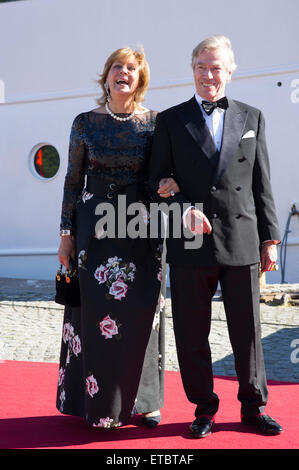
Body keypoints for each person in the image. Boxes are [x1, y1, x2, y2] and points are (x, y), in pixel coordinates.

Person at [148, 35, 283, 438]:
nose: (209, 75)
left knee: (248, 332)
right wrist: (182, 206)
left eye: (217, 67)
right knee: (192, 332)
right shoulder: (169, 121)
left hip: (241, 237)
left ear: (230, 70)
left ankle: (254, 407)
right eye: (202, 67)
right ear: (192, 70)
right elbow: (155, 180)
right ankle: (204, 407)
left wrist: (270, 238)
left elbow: (262, 183)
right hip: (191, 244)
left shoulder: (252, 116)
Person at [56, 46, 178, 429]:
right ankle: (95, 404)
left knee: (144, 312)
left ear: (140, 80)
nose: (123, 72)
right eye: (117, 67)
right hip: (94, 230)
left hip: (141, 229)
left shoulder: (156, 123)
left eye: (131, 68)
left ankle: (145, 403)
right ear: (106, 75)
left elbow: (163, 174)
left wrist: (171, 187)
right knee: (93, 316)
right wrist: (65, 235)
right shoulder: (84, 123)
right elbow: (73, 181)